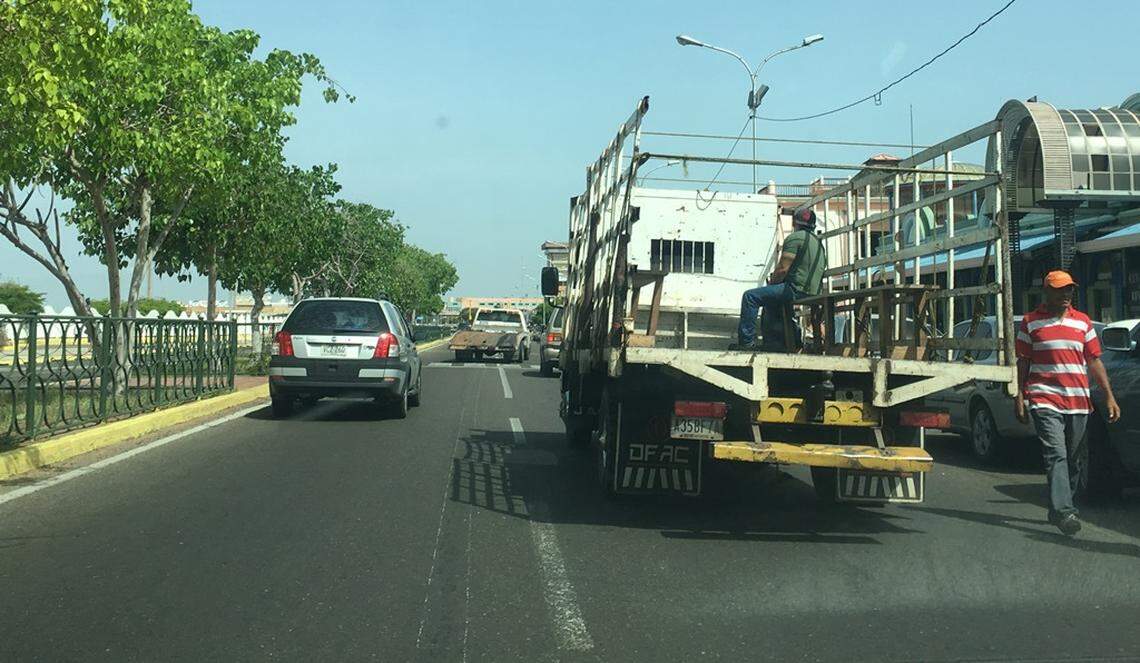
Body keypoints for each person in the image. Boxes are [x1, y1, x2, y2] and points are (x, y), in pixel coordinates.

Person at [1014, 270, 1120, 536]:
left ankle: (1059, 505)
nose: (1065, 294)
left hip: (1078, 400)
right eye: (1060, 290)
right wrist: (1020, 396)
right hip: (1043, 397)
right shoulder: (1030, 323)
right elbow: (1023, 362)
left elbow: (1094, 361)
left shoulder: (1082, 323)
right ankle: (1065, 511)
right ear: (1047, 292)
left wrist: (1108, 395)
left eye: (1069, 290)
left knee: (1074, 458)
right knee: (1057, 454)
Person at [731, 208, 827, 351]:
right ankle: (788, 342)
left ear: (795, 223)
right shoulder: (817, 243)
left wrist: (772, 283)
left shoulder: (795, 238)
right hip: (814, 292)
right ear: (813, 225)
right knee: (773, 300)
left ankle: (746, 343)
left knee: (750, 297)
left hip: (796, 290)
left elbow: (783, 268)